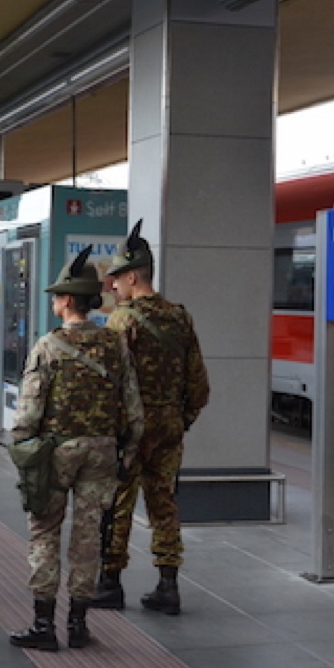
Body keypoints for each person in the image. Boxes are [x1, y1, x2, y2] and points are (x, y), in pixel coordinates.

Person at [8, 246, 143, 651]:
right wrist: (129, 447)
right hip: (102, 451)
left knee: (45, 532)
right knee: (88, 538)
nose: (53, 302)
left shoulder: (48, 346)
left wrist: (21, 446)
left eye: (55, 296)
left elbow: (29, 410)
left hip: (55, 452)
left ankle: (43, 626)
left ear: (67, 300)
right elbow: (133, 405)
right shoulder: (114, 343)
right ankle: (79, 625)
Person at [90, 220, 210, 615]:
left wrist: (112, 429)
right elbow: (199, 384)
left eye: (116, 278)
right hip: (169, 428)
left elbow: (111, 382)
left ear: (134, 276)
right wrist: (181, 418)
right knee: (164, 503)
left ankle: (110, 583)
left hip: (132, 430)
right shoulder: (180, 317)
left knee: (119, 502)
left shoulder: (122, 320)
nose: (111, 286)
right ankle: (168, 585)